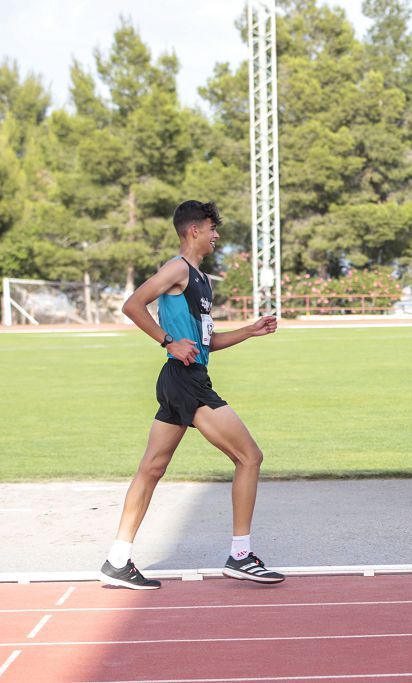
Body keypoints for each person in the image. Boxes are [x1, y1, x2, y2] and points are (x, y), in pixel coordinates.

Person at [99, 200, 284, 589]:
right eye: (212, 229)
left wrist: (249, 331)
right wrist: (167, 341)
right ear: (193, 231)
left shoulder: (200, 279)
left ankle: (117, 560)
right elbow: (132, 305)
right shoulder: (177, 268)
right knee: (250, 457)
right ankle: (240, 555)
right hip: (187, 380)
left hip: (181, 377)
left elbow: (206, 342)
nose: (217, 236)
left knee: (151, 468)